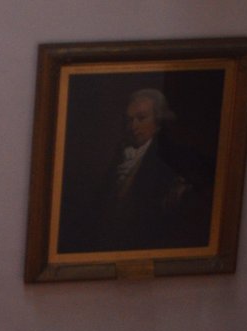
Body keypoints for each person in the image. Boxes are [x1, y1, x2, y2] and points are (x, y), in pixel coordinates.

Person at [63, 88, 214, 253]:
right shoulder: (120, 154)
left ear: (158, 121)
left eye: (141, 118)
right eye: (129, 120)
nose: (133, 126)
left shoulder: (168, 157)